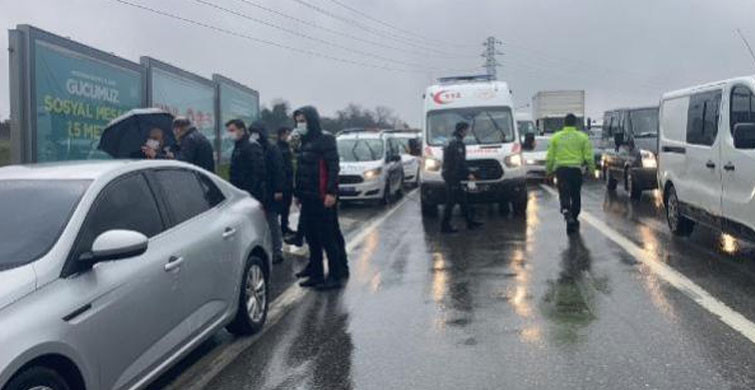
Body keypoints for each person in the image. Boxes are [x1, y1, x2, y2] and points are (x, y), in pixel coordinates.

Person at [292, 106, 348, 289]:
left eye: (303, 120)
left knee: (327, 237)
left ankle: (335, 275)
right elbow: (301, 171)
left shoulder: (325, 139)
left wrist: (331, 192)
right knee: (312, 237)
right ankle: (316, 273)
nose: (300, 124)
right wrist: (298, 194)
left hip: (323, 196)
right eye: (298, 121)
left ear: (311, 120)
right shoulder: (304, 141)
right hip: (308, 197)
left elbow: (333, 167)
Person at [545, 113, 595, 234]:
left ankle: (566, 210)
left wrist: (549, 171)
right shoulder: (582, 137)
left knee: (564, 192)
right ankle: (574, 215)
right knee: (576, 194)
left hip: (561, 170)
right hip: (576, 170)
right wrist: (592, 170)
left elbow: (550, 156)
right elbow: (589, 156)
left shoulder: (556, 137)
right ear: (575, 124)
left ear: (564, 123)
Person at [250, 121, 286, 264]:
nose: (253, 136)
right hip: (259, 190)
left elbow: (278, 170)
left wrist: (278, 189)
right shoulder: (254, 148)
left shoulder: (271, 149)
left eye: (255, 132)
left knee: (272, 220)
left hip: (271, 190)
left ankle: (277, 250)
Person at [441, 122, 483, 233]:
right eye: (467, 130)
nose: (468, 132)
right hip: (453, 176)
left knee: (463, 200)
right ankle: (445, 226)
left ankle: (470, 222)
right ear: (462, 130)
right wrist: (468, 173)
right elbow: (459, 161)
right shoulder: (457, 143)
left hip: (450, 174)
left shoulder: (451, 140)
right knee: (450, 202)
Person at [227, 119, 267, 204]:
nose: (230, 133)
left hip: (250, 195)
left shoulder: (251, 146)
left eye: (232, 130)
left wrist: (249, 193)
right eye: (229, 131)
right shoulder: (238, 146)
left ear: (241, 130)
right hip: (238, 192)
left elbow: (257, 172)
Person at [277, 126, 296, 237]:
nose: (288, 136)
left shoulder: (286, 147)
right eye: (287, 134)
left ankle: (285, 226)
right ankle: (281, 229)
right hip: (283, 183)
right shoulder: (278, 148)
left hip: (289, 182)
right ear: (282, 135)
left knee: (287, 206)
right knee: (282, 207)